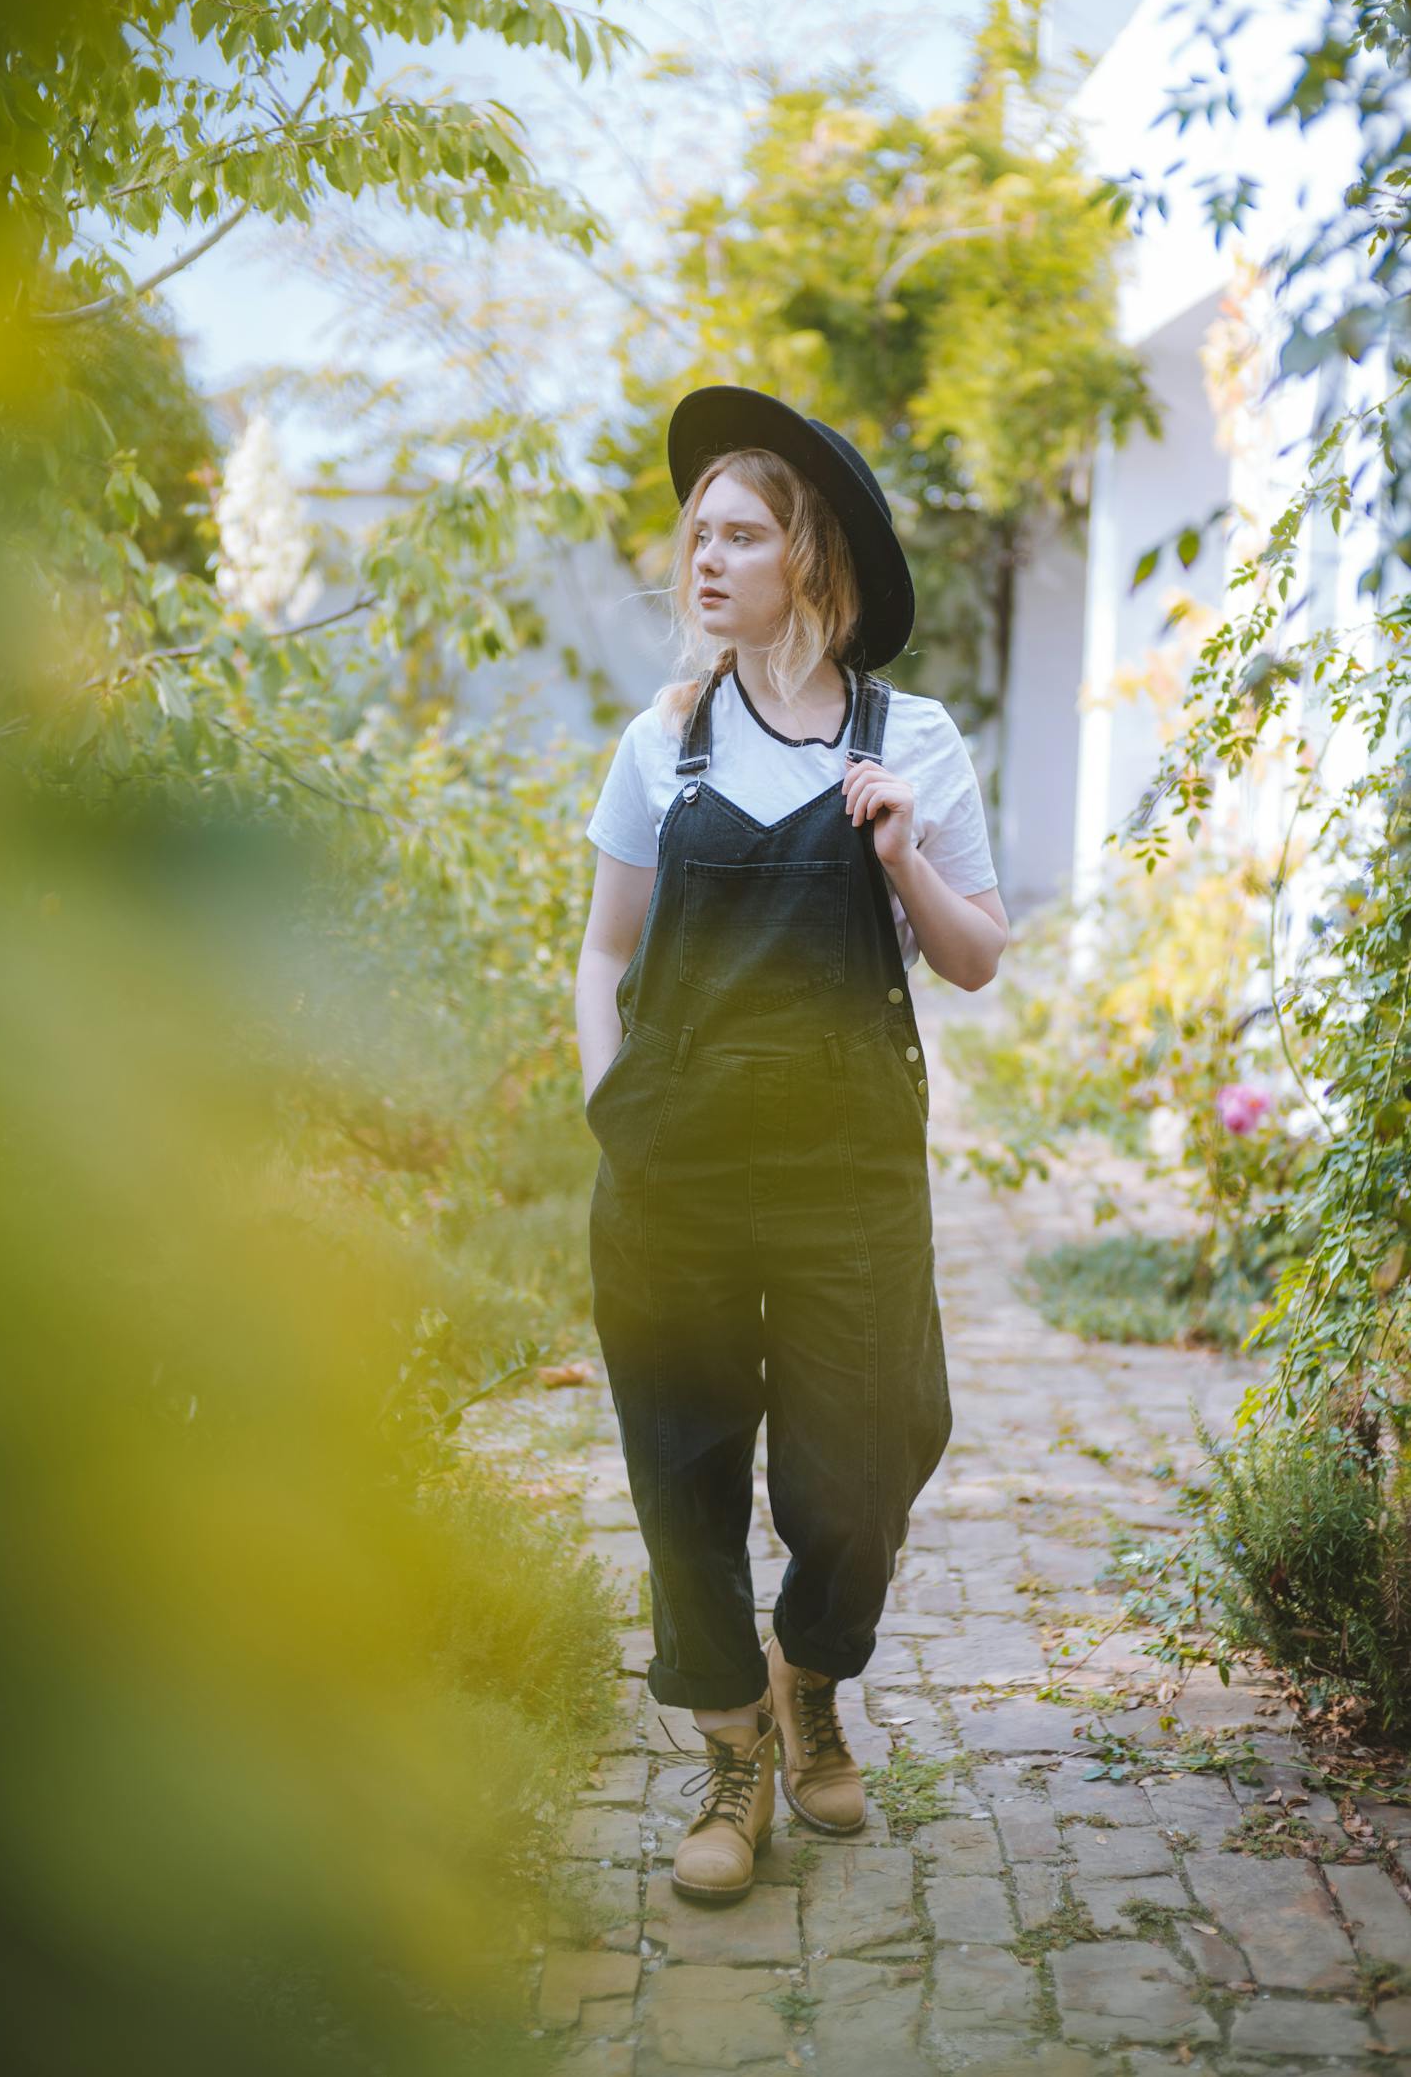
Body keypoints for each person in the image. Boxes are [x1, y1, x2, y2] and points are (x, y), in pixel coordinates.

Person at [574, 385, 1009, 1906]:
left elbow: (975, 957)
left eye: (740, 532)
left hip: (846, 1177)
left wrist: (897, 849)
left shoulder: (915, 739)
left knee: (869, 1456)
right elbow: (601, 953)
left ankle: (810, 1671)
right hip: (675, 1177)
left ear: (806, 556)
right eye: (697, 532)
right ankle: (732, 1759)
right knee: (683, 1472)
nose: (705, 555)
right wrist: (605, 1103)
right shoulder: (664, 743)